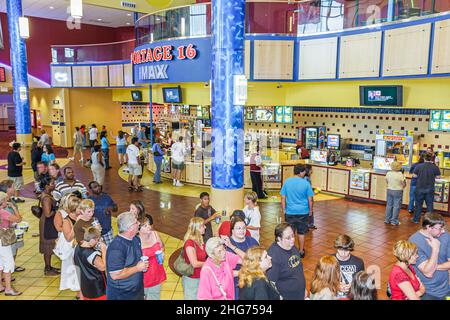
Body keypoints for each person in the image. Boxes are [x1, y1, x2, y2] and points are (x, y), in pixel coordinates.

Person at [106, 211, 147, 300]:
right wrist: (137, 268)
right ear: (130, 228)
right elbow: (115, 275)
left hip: (136, 292)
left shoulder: (136, 239)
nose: (139, 223)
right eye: (136, 222)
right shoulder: (116, 248)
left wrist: (142, 265)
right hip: (122, 295)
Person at [409, 213, 449, 300]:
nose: (443, 231)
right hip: (427, 292)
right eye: (440, 228)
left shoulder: (445, 235)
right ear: (428, 227)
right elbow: (428, 273)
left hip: (446, 289)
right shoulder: (414, 242)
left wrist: (434, 266)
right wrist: (435, 249)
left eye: (443, 227)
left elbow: (429, 269)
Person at [280, 164, 314, 258]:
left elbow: (283, 198)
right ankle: (301, 251)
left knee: (290, 233)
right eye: (304, 172)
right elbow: (310, 199)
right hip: (303, 212)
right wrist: (310, 210)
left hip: (290, 212)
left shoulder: (287, 182)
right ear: (301, 172)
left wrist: (284, 210)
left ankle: (289, 250)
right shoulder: (306, 183)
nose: (304, 173)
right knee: (301, 233)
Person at [267, 223, 306, 300]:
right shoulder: (274, 256)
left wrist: (303, 288)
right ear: (279, 238)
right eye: (288, 238)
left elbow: (299, 269)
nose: (293, 239)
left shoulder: (291, 246)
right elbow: (271, 284)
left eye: (293, 235)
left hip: (299, 293)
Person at [227, 217, 259, 299]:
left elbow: (258, 261)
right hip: (236, 285)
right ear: (232, 230)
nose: (242, 231)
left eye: (244, 228)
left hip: (253, 282)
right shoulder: (227, 246)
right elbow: (225, 271)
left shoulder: (252, 241)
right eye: (238, 228)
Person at [56, 194, 81, 294]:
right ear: (73, 208)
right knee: (75, 272)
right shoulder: (66, 221)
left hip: (80, 248)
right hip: (72, 251)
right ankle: (79, 293)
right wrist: (78, 224)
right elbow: (68, 238)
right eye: (79, 207)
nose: (81, 209)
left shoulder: (79, 217)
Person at [74, 227, 107, 300]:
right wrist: (104, 249)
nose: (98, 242)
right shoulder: (91, 254)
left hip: (85, 285)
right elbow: (103, 267)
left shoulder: (77, 247)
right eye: (97, 240)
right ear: (92, 240)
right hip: (97, 288)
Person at [139, 214, 166, 300]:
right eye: (145, 225)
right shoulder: (136, 241)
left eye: (149, 224)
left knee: (155, 296)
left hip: (157, 273)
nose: (149, 227)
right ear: (138, 229)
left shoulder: (155, 234)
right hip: (143, 277)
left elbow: (162, 246)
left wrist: (162, 253)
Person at [0, 180, 25, 273]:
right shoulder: (4, 205)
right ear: (8, 189)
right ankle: (7, 273)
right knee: (7, 257)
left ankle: (11, 268)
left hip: (11, 231)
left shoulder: (9, 200)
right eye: (13, 187)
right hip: (6, 234)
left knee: (13, 250)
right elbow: (17, 219)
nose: (15, 188)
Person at [0, 192, 22, 296]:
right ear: (2, 202)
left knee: (0, 262)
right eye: (5, 200)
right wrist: (14, 208)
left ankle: (0, 285)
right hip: (3, 241)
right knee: (8, 263)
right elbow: (19, 219)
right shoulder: (3, 212)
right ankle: (8, 288)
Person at [38, 176, 59, 276]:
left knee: (49, 245)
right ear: (47, 185)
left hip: (48, 221)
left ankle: (49, 266)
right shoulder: (46, 198)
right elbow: (48, 214)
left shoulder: (47, 194)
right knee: (48, 245)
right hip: (47, 222)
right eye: (52, 183)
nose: (54, 185)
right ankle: (47, 268)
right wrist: (57, 209)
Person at [182, 217, 207, 300]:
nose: (205, 227)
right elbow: (195, 264)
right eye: (203, 226)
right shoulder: (189, 243)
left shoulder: (200, 240)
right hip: (191, 279)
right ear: (197, 228)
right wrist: (209, 263)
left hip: (201, 276)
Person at [411, 154, 441, 223]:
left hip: (419, 188)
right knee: (430, 205)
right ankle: (429, 221)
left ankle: (416, 219)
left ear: (424, 158)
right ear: (431, 159)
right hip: (430, 189)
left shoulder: (419, 166)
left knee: (418, 205)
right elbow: (438, 177)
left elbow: (414, 176)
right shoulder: (435, 167)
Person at [333, 234, 365, 298]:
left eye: (346, 250)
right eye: (341, 250)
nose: (343, 254)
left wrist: (352, 286)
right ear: (336, 248)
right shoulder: (328, 261)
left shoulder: (358, 262)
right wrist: (335, 285)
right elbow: (322, 281)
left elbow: (362, 282)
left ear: (350, 249)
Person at [88, 181, 117, 246]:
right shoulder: (89, 200)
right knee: (99, 251)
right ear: (91, 189)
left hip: (107, 230)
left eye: (98, 186)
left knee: (110, 249)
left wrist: (111, 208)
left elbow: (116, 208)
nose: (98, 188)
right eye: (95, 187)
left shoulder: (106, 197)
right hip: (95, 232)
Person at [384, 161, 406, 226]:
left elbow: (386, 181)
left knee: (389, 205)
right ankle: (394, 221)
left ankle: (387, 219)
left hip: (389, 190)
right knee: (396, 206)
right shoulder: (400, 174)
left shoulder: (388, 173)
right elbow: (404, 184)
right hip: (398, 191)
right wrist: (402, 187)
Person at [304, 165, 317, 230]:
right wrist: (314, 192)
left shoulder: (304, 178)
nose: (312, 171)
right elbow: (308, 190)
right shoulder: (307, 179)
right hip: (308, 198)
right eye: (311, 170)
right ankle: (310, 224)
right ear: (308, 170)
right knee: (310, 210)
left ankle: (307, 224)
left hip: (304, 198)